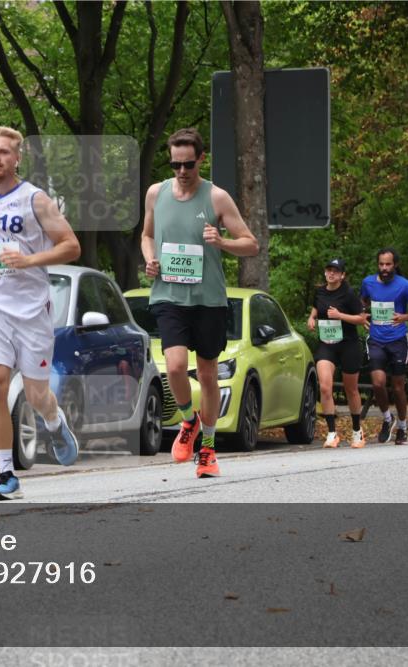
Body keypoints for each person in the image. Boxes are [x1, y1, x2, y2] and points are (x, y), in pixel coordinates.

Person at [0, 126, 81, 501]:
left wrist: (29, 260)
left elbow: (71, 246)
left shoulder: (36, 200)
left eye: (3, 152)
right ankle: (6, 474)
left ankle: (54, 422)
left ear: (17, 157)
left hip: (31, 310)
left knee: (36, 394)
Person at [141, 128, 259, 478]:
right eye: (175, 164)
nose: (181, 171)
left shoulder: (217, 198)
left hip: (208, 300)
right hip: (168, 295)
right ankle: (188, 421)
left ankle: (207, 449)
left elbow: (251, 244)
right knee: (175, 366)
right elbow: (147, 235)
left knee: (207, 374)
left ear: (201, 160)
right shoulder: (156, 193)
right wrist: (149, 259)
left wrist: (222, 243)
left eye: (188, 164)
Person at [360, 247, 408, 445]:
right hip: (376, 339)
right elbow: (362, 301)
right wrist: (362, 314)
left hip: (398, 340)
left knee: (398, 388)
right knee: (378, 383)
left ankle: (403, 428)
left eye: (388, 264)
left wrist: (404, 317)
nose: (384, 268)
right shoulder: (368, 282)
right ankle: (388, 419)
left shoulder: (405, 285)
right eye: (381, 264)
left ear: (395, 265)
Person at [307, 258, 368, 448]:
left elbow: (361, 319)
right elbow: (316, 307)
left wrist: (340, 315)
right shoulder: (319, 291)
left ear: (342, 275)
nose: (331, 273)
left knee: (351, 389)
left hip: (348, 344)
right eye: (329, 270)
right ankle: (332, 434)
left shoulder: (348, 293)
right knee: (325, 387)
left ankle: (357, 431)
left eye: (335, 271)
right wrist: (312, 317)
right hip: (327, 344)